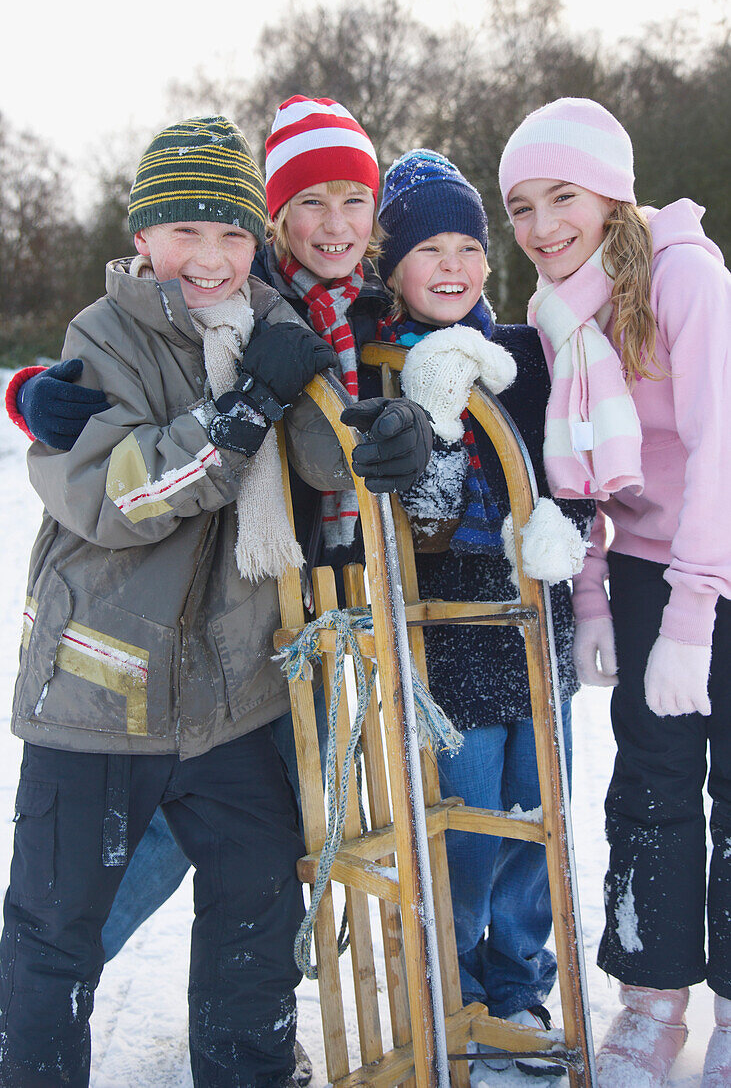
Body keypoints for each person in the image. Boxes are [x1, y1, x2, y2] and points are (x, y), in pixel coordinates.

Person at [0, 114, 429, 1088]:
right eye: (184, 232)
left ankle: (249, 1070)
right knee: (55, 928)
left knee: (253, 903)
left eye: (231, 234)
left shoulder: (275, 328)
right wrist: (239, 412)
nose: (209, 257)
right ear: (142, 236)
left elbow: (323, 453)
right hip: (101, 695)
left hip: (234, 697)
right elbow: (120, 495)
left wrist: (385, 436)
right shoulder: (101, 340)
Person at [499, 96, 731, 1088]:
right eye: (518, 206)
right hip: (641, 565)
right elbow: (579, 466)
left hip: (715, 562)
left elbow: (721, 450)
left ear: (611, 195)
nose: (542, 225)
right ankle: (648, 1003)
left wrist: (691, 615)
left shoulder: (687, 277)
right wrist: (593, 597)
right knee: (647, 784)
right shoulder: (563, 312)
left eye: (562, 196)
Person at [374, 148, 594, 1081]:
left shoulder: (526, 360)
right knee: (463, 823)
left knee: (538, 813)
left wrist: (566, 524)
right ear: (393, 269)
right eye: (430, 250)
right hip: (443, 632)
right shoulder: (384, 367)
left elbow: (570, 468)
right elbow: (412, 512)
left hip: (530, 628)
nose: (454, 265)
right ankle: (453, 988)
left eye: (469, 245)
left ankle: (516, 985)